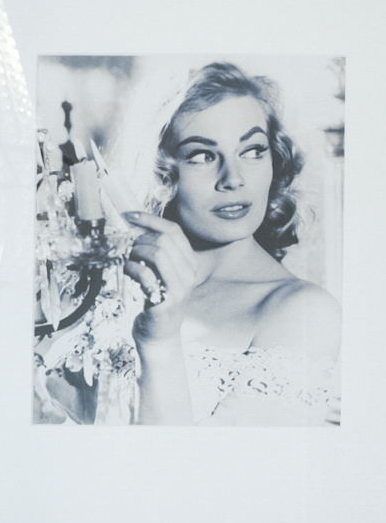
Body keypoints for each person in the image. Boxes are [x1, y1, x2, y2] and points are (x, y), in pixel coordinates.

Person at [120, 63, 341, 426]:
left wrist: (158, 342)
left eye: (253, 150)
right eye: (203, 155)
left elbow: (204, 478)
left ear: (276, 158)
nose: (233, 179)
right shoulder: (113, 291)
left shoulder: (304, 311)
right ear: (160, 172)